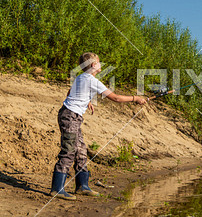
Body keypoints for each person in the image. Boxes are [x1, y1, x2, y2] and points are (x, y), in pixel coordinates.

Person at [50, 52, 148, 200]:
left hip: (71, 116)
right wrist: (136, 98)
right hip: (70, 117)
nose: (101, 64)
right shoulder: (91, 80)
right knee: (69, 151)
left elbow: (70, 92)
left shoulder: (81, 77)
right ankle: (57, 189)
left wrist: (87, 101)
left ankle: (82, 186)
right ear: (94, 65)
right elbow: (116, 98)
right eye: (99, 62)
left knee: (81, 152)